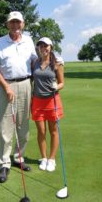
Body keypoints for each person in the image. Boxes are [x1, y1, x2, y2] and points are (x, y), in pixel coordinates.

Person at [0, 11, 38, 183]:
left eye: (18, 23)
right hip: (6, 85)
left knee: (23, 126)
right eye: (12, 23)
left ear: (23, 24)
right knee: (5, 127)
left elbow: (35, 63)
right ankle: (4, 164)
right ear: (7, 24)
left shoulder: (29, 41)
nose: (15, 26)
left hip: (26, 85)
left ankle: (18, 158)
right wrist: (6, 87)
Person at [31, 37, 64, 172]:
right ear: (38, 48)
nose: (44, 48)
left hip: (52, 101)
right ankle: (44, 158)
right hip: (37, 102)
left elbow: (62, 82)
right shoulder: (34, 63)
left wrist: (57, 86)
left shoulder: (57, 64)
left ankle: (52, 159)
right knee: (41, 131)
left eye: (46, 46)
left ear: (51, 47)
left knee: (53, 131)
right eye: (41, 46)